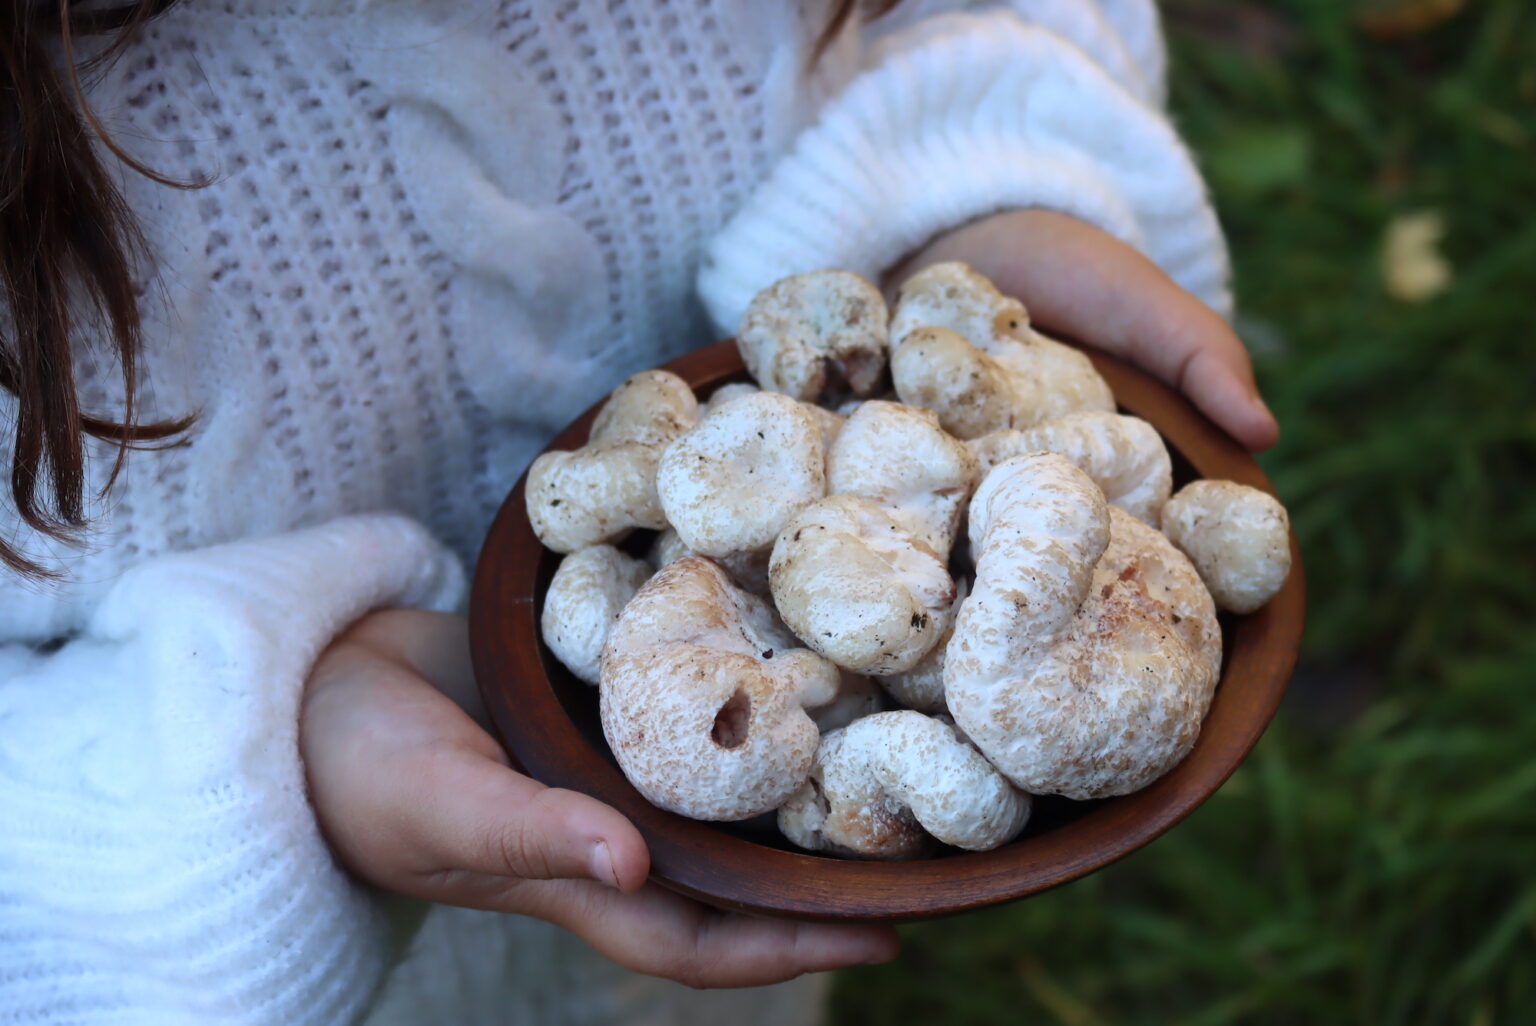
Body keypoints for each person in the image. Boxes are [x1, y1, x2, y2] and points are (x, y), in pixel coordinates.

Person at [0, 1, 1278, 1022]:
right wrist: (251, 757)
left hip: (757, 815)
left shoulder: (878, 549)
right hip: (340, 937)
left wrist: (972, 175)